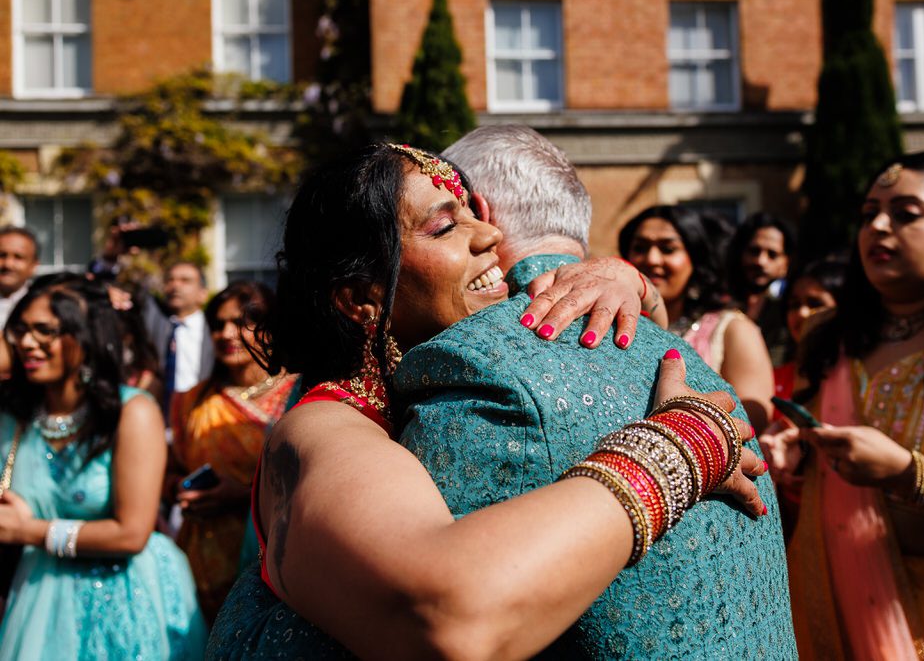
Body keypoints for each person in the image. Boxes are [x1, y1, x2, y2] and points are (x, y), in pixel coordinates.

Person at [207, 142, 770, 658]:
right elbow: (449, 616)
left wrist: (625, 277)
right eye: (446, 225)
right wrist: (681, 450)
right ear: (361, 298)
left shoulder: (433, 392)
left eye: (477, 213)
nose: (491, 236)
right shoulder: (323, 426)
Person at [393, 125, 795, 657]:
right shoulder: (692, 364)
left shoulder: (476, 359)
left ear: (479, 217)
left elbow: (428, 617)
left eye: (447, 218)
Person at [767, 152, 924, 660]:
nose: (877, 226)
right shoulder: (826, 335)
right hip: (824, 607)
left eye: (906, 213)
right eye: (869, 212)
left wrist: (908, 475)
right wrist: (793, 456)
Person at [0, 275, 206, 659]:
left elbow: (131, 535)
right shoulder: (16, 415)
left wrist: (29, 530)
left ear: (88, 336)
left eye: (46, 330)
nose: (27, 342)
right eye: (21, 330)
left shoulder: (131, 412)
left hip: (123, 598)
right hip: (36, 593)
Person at [166, 281, 298, 622]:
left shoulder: (298, 396)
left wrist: (242, 496)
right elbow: (170, 470)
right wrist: (181, 489)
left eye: (242, 322)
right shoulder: (191, 400)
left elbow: (313, 487)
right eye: (218, 324)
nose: (226, 334)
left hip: (273, 559)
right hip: (199, 560)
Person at [619, 204, 775, 433]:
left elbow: (754, 420)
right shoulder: (621, 324)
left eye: (668, 249)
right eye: (640, 248)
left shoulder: (732, 329)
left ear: (695, 259)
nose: (652, 259)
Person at [772, 256, 848, 401]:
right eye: (794, 305)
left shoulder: (855, 377)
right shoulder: (771, 380)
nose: (802, 313)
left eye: (815, 304)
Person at [726, 212, 796, 366]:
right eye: (754, 251)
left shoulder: (791, 311)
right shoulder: (719, 303)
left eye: (772, 254)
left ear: (786, 263)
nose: (760, 261)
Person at [144, 261, 214, 413]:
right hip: (158, 417)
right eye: (170, 280)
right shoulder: (153, 320)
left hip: (202, 417)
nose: (175, 285)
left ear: (203, 294)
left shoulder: (215, 331)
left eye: (185, 280)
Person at [0, 227, 38, 328]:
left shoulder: (43, 304)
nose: (8, 264)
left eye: (18, 257)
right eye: (2, 255)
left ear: (34, 265)